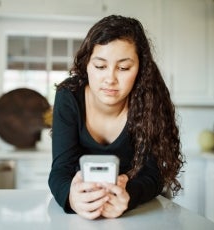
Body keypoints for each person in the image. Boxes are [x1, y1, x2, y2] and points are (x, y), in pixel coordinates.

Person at [48, 15, 184, 220]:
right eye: (100, 66)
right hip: (80, 213)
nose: (110, 79)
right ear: (86, 65)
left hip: (137, 212)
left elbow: (154, 176)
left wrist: (129, 196)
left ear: (140, 69)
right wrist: (71, 198)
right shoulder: (69, 96)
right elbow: (60, 170)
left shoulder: (151, 99)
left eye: (123, 68)